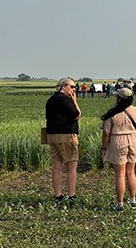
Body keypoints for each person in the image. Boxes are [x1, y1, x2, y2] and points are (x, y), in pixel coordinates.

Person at [101, 87, 136, 212]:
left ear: (119, 99)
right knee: (131, 172)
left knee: (120, 174)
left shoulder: (112, 113)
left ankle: (120, 204)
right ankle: (133, 200)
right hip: (133, 140)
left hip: (118, 141)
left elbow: (105, 134)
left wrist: (103, 148)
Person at [45, 77, 82, 205]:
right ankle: (72, 195)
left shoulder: (51, 99)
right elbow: (77, 115)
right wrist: (74, 101)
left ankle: (58, 195)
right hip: (66, 135)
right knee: (72, 165)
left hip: (51, 135)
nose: (73, 89)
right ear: (63, 86)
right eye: (71, 87)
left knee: (57, 165)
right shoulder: (64, 99)